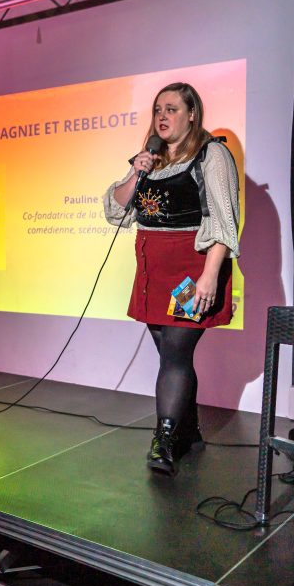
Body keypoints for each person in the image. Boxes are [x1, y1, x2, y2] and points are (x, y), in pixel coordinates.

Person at [103, 82, 240, 476]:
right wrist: (136, 171)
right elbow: (117, 211)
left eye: (172, 109)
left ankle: (163, 439)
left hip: (189, 271)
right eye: (157, 109)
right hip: (153, 271)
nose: (162, 116)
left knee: (176, 353)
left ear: (192, 114)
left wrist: (209, 276)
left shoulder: (211, 154)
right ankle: (189, 431)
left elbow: (225, 221)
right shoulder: (150, 159)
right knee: (170, 354)